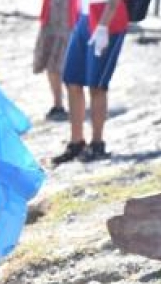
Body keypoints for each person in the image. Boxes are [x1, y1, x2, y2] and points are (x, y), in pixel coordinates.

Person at [52, 0, 128, 165]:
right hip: (85, 17)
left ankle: (97, 144)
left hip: (107, 18)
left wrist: (103, 26)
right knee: (72, 80)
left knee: (97, 86)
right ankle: (76, 142)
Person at [34, 0, 74, 121]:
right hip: (52, 15)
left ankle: (74, 101)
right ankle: (58, 104)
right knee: (51, 62)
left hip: (70, 16)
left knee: (66, 62)